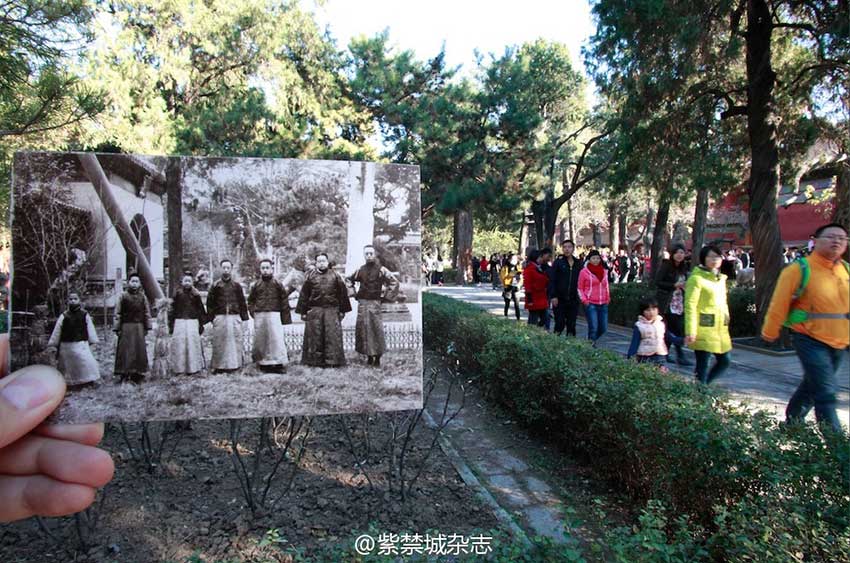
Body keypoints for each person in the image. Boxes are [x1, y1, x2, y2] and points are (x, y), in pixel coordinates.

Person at [0, 339, 115, 523]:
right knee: (72, 361)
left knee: (83, 361)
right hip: (69, 347)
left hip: (80, 344)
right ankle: (74, 381)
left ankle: (86, 380)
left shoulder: (81, 316)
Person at [762, 223, 849, 434]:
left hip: (839, 340)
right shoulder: (799, 269)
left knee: (812, 385)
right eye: (830, 237)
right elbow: (779, 302)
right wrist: (770, 332)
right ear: (815, 241)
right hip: (809, 338)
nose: (836, 241)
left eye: (842, 238)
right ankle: (838, 450)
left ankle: (791, 423)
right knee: (826, 392)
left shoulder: (845, 269)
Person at [684, 245, 732, 385]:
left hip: (720, 329)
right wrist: (690, 330)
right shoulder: (696, 279)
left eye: (717, 256)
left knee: (725, 361)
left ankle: (703, 389)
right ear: (703, 259)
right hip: (703, 327)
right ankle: (701, 394)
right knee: (703, 365)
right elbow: (690, 305)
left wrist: (726, 320)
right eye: (710, 257)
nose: (714, 260)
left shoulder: (720, 279)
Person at [295, 253, 351, 367]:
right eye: (319, 261)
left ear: (327, 262)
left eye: (323, 261)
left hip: (331, 310)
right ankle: (314, 362)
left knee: (332, 336)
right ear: (316, 263)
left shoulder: (335, 276)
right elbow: (304, 295)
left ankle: (333, 361)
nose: (321, 263)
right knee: (315, 336)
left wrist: (342, 310)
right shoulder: (310, 276)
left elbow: (342, 294)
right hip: (315, 310)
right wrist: (303, 312)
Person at [348, 245, 399, 367]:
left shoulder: (381, 269)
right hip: (362, 304)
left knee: (376, 330)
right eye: (367, 254)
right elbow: (348, 280)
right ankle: (369, 356)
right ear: (364, 255)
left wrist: (386, 297)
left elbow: (394, 281)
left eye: (371, 253)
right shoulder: (360, 270)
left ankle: (378, 357)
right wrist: (353, 293)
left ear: (375, 254)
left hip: (375, 304)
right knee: (363, 330)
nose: (369, 256)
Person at [46, 291, 100, 387]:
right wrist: (53, 343)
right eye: (71, 299)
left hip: (81, 343)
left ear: (79, 301)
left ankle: (88, 380)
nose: (73, 301)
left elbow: (90, 328)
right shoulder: (64, 316)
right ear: (68, 301)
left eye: (75, 299)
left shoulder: (84, 315)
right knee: (67, 365)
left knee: (86, 361)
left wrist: (93, 340)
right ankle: (69, 382)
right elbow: (58, 330)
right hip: (67, 345)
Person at [206, 259, 249, 373]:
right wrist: (212, 318)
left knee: (234, 341)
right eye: (223, 268)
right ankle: (219, 366)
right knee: (220, 342)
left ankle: (235, 365)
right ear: (220, 269)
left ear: (231, 269)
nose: (225, 270)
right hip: (220, 317)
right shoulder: (215, 285)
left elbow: (242, 303)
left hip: (234, 316)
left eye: (228, 268)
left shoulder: (237, 286)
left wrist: (244, 319)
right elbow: (210, 303)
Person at [247, 259, 290, 372]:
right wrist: (253, 312)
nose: (265, 270)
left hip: (274, 314)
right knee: (262, 339)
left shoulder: (277, 284)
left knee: (276, 339)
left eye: (267, 268)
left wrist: (283, 317)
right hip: (260, 314)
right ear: (260, 270)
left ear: (272, 269)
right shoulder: (256, 285)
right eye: (263, 268)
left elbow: (284, 300)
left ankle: (278, 363)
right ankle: (262, 362)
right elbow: (250, 300)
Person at [654, 244, 693, 366]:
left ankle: (664, 353)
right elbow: (657, 282)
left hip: (680, 301)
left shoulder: (684, 267)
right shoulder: (666, 266)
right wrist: (673, 285)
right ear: (673, 254)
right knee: (674, 329)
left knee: (675, 329)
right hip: (668, 301)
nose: (680, 255)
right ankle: (678, 355)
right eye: (677, 252)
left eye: (682, 252)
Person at [113, 273, 151, 384]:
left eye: (136, 282)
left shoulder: (143, 297)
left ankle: (138, 373)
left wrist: (147, 326)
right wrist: (117, 327)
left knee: (139, 350)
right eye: (132, 281)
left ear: (139, 284)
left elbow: (147, 312)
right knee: (125, 350)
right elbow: (118, 313)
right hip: (126, 326)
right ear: (128, 282)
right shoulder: (123, 296)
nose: (134, 284)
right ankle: (124, 373)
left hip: (139, 326)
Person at [626, 297, 684, 367]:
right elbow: (634, 343)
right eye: (648, 310)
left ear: (657, 310)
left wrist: (683, 340)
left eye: (654, 309)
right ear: (642, 312)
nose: (651, 312)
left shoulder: (661, 324)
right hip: (644, 357)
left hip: (660, 356)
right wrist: (631, 356)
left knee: (660, 375)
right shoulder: (639, 326)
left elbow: (669, 337)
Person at [168, 272, 207, 376]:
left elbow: (200, 310)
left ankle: (193, 368)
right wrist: (171, 323)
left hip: (192, 322)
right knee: (180, 345)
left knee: (192, 344)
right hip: (180, 322)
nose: (187, 283)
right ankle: (179, 369)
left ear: (192, 282)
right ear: (182, 282)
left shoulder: (196, 295)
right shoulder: (177, 294)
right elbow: (172, 310)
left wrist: (201, 324)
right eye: (185, 281)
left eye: (189, 281)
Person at [548, 240, 582, 337]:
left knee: (571, 325)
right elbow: (552, 280)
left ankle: (570, 345)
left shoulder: (578, 263)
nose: (567, 249)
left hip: (573, 299)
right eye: (565, 247)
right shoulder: (558, 263)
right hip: (559, 299)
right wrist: (553, 296)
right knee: (559, 324)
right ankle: (555, 344)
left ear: (573, 248)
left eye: (569, 247)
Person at [578, 249, 610, 346]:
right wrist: (584, 299)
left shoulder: (604, 271)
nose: (596, 260)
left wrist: (608, 297)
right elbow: (580, 287)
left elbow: (606, 285)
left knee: (603, 328)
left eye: (597, 258)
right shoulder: (584, 272)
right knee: (593, 327)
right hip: (590, 303)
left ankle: (590, 341)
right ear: (589, 259)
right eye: (593, 258)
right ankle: (591, 346)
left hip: (603, 303)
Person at [523, 249, 550, 328]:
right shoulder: (530, 268)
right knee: (533, 320)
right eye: (540, 257)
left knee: (545, 318)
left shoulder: (538, 267)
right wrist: (529, 299)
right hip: (534, 298)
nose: (541, 259)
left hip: (541, 297)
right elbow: (527, 284)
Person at [500, 254, 522, 320]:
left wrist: (519, 285)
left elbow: (521, 278)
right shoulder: (505, 267)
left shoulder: (518, 267)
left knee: (517, 304)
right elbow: (503, 277)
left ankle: (518, 318)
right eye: (513, 259)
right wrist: (513, 273)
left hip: (516, 287)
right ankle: (505, 316)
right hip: (508, 287)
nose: (514, 260)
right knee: (507, 303)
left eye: (516, 259)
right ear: (509, 259)